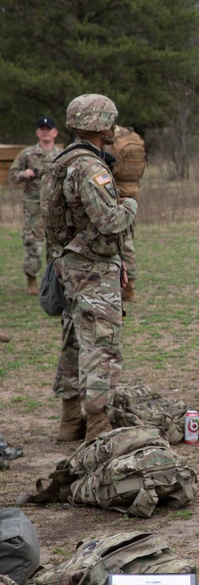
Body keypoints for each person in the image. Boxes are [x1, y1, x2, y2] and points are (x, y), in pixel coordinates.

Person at [44, 95, 137, 443]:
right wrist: (130, 203)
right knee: (101, 343)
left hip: (70, 262)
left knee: (74, 338)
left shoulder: (63, 160)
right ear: (100, 125)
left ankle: (70, 418)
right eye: (111, 122)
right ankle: (96, 424)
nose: (114, 128)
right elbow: (109, 221)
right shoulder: (91, 167)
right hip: (91, 267)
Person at [7, 116, 59, 295]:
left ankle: (53, 282)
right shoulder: (27, 154)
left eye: (48, 128)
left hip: (55, 207)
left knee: (56, 245)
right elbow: (12, 175)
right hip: (34, 207)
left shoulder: (61, 155)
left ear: (55, 132)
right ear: (37, 132)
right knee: (33, 244)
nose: (45, 131)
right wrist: (24, 173)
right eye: (42, 128)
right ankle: (31, 278)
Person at [109, 125, 147, 301]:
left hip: (114, 193)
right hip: (132, 192)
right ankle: (129, 285)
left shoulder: (108, 137)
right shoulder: (132, 136)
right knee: (128, 240)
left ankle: (119, 284)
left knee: (113, 240)